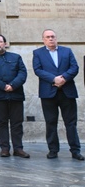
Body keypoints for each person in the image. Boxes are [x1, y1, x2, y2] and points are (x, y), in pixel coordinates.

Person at [33, 29, 83, 160]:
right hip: (48, 93)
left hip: (67, 92)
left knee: (71, 123)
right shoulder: (38, 53)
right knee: (50, 123)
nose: (51, 39)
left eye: (53, 36)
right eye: (48, 37)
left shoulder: (67, 51)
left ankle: (75, 151)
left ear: (56, 38)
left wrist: (64, 78)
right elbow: (37, 70)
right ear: (43, 39)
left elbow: (74, 67)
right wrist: (54, 79)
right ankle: (53, 150)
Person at [0, 34, 29, 158]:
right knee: (1, 123)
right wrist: (3, 86)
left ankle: (18, 148)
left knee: (17, 123)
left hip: (16, 95)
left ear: (5, 44)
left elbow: (22, 73)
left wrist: (12, 85)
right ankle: (5, 149)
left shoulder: (16, 57)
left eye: (0, 41)